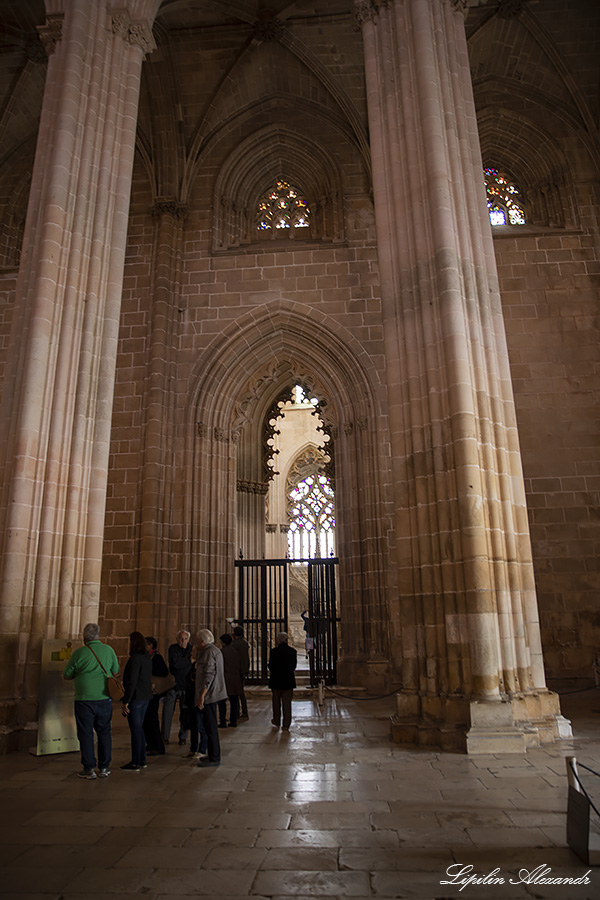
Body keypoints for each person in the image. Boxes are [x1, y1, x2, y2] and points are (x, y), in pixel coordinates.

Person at [63, 622, 119, 779]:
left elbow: (67, 674)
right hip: (104, 698)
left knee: (86, 733)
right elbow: (115, 671)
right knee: (104, 732)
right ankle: (104, 767)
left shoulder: (79, 653)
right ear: (98, 635)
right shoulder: (108, 650)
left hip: (84, 699)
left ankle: (89, 768)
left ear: (84, 637)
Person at [121, 631, 153, 771]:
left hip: (136, 698)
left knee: (135, 729)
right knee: (139, 728)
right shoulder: (146, 657)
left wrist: (126, 700)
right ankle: (142, 759)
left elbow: (133, 680)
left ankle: (135, 762)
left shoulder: (135, 658)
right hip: (145, 696)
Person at [195, 629, 227, 767]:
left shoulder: (208, 652)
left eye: (197, 640)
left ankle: (214, 758)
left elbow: (209, 674)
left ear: (202, 641)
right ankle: (212, 755)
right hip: (214, 693)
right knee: (210, 726)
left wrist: (202, 694)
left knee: (210, 727)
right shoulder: (215, 650)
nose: (195, 643)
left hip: (210, 695)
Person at [162, 629, 193, 746]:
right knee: (167, 712)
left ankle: (183, 737)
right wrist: (188, 661)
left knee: (185, 713)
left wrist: (186, 661)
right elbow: (176, 664)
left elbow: (192, 663)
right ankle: (164, 736)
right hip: (174, 685)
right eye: (181, 639)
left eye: (185, 639)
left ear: (188, 639)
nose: (183, 641)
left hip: (186, 685)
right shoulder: (173, 649)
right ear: (177, 639)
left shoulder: (191, 649)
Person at [181, 644, 208, 760]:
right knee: (193, 724)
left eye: (193, 651)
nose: (191, 653)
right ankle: (193, 749)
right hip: (190, 697)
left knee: (201, 725)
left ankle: (202, 749)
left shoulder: (203, 666)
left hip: (199, 698)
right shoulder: (192, 665)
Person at [143, 637, 168, 756]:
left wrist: (149, 670)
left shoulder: (156, 657)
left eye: (146, 644)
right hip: (148, 693)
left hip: (154, 694)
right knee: (147, 720)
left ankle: (158, 746)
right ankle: (151, 744)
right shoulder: (147, 657)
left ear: (151, 645)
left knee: (152, 720)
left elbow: (164, 671)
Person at [268, 632, 297, 731]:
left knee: (276, 703)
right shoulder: (293, 651)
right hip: (288, 681)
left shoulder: (273, 652)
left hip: (276, 681)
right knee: (287, 703)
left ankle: (276, 720)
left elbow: (270, 666)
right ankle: (286, 724)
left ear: (279, 640)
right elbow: (294, 666)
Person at [218, 634, 243, 729]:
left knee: (222, 701)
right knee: (234, 701)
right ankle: (233, 720)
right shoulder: (235, 652)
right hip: (235, 678)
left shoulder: (221, 652)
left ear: (223, 643)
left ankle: (223, 721)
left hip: (225, 678)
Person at [231, 625, 250, 719]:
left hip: (237, 670)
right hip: (244, 669)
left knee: (236, 692)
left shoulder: (235, 644)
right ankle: (244, 711)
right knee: (241, 691)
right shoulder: (245, 643)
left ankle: (238, 711)